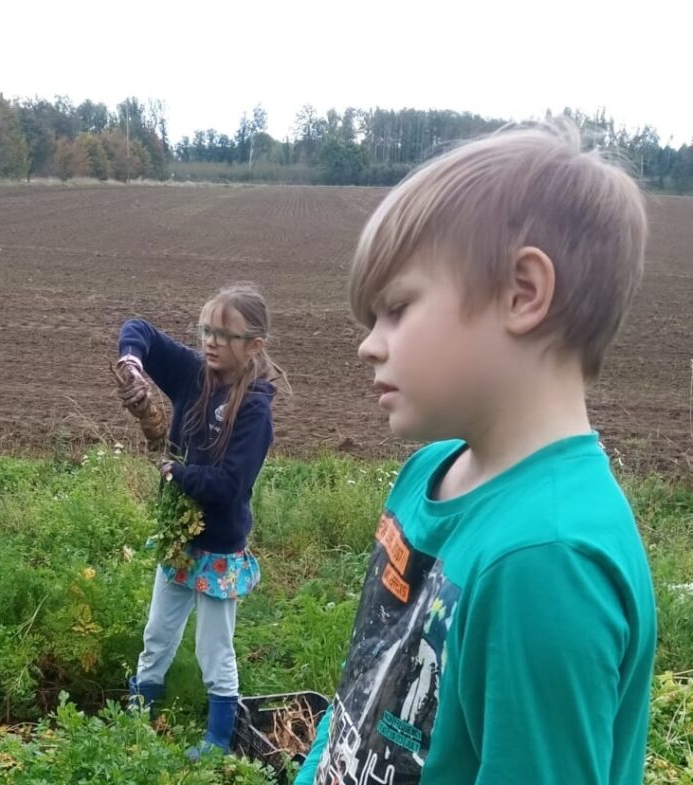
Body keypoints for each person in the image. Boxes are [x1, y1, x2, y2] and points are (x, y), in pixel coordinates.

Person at [295, 119, 656, 785]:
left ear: (522, 293)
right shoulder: (425, 474)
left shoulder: (546, 560)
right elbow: (361, 695)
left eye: (397, 308)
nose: (369, 344)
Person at [116, 283, 289, 756]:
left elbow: (230, 485)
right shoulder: (194, 376)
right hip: (177, 539)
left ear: (254, 346)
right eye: (206, 331)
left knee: (213, 651)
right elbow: (140, 331)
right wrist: (131, 362)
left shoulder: (254, 410)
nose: (211, 342)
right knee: (157, 636)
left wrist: (177, 472)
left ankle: (217, 739)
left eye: (225, 335)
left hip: (218, 549)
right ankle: (137, 720)